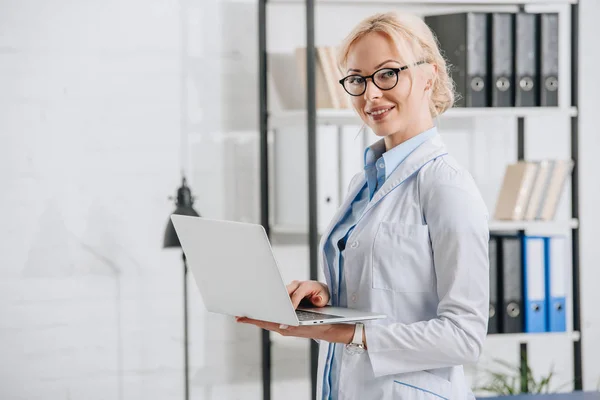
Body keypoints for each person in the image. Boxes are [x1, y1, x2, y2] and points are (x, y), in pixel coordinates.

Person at [237, 11, 490, 400]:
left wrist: (340, 332)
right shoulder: (365, 182)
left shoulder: (445, 185)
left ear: (429, 75)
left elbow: (464, 337)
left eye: (387, 74)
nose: (371, 94)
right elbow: (383, 296)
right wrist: (323, 297)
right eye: (357, 79)